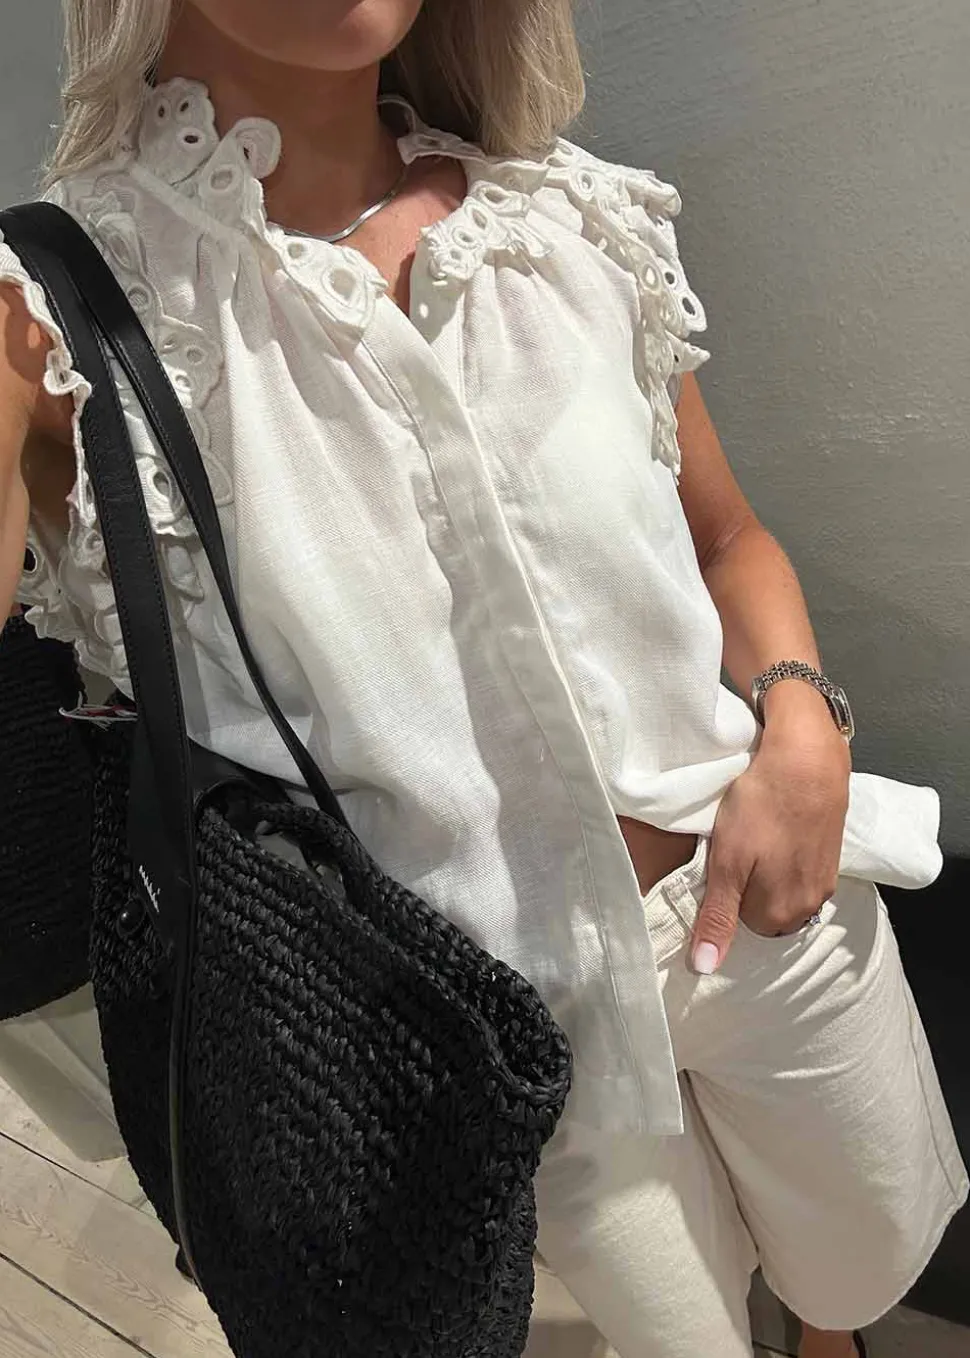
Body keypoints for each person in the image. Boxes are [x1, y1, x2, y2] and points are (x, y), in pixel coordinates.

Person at [0, 3, 965, 1356]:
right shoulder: (52, 316)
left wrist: (802, 719)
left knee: (857, 1268)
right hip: (500, 1026)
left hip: (769, 900)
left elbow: (725, 540)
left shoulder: (573, 220)